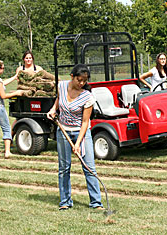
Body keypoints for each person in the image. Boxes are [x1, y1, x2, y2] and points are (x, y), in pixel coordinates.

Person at [46, 64, 103, 211]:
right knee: (64, 168)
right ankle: (65, 201)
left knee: (89, 167)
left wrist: (77, 143)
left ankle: (96, 203)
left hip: (81, 133)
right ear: (72, 76)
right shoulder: (62, 86)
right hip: (63, 131)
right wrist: (53, 110)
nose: (82, 83)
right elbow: (58, 101)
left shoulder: (88, 96)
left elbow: (85, 123)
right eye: (79, 80)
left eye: (85, 80)